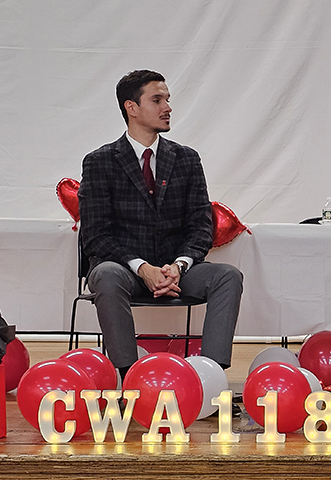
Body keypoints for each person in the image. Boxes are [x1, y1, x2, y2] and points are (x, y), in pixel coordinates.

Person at [78, 69, 243, 383]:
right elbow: (96, 236)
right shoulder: (100, 161)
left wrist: (178, 266)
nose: (168, 107)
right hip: (125, 270)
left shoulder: (187, 159)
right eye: (157, 100)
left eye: (167, 99)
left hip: (175, 271)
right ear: (131, 108)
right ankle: (129, 377)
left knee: (228, 276)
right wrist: (142, 268)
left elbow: (201, 228)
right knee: (106, 274)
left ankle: (210, 376)